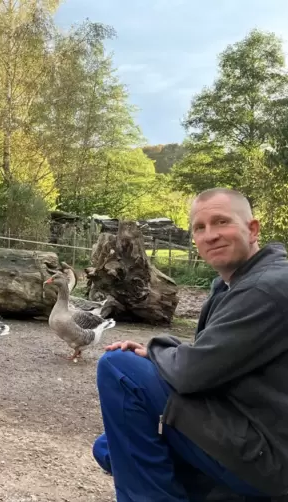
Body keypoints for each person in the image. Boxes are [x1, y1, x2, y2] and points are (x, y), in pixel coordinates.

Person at [92, 187, 288, 501]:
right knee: (110, 445)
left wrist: (157, 349)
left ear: (252, 229)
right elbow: (213, 355)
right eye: (200, 227)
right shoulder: (234, 284)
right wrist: (167, 356)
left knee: (119, 369)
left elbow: (190, 374)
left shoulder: (267, 287)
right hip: (251, 435)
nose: (210, 235)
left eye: (221, 222)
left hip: (269, 459)